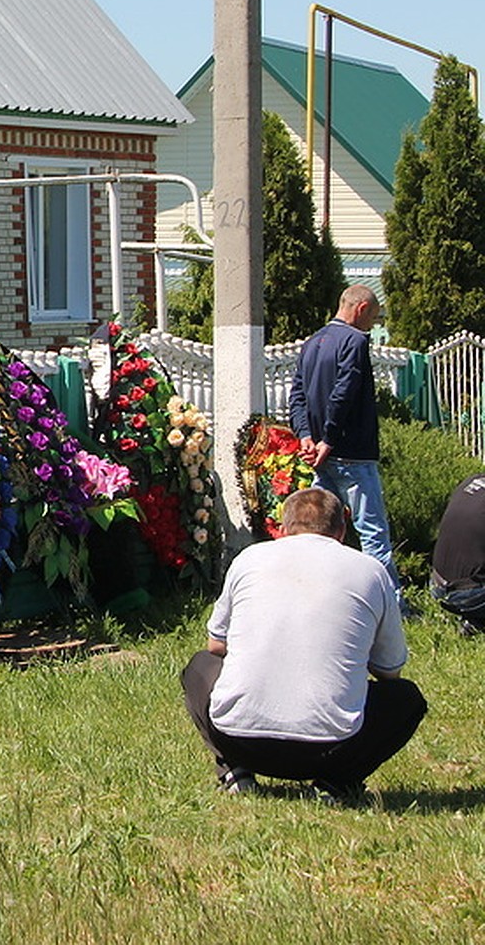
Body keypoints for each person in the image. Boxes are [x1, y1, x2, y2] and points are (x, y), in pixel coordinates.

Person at [181, 488, 426, 804]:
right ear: (341, 530)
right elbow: (390, 670)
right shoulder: (370, 571)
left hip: (239, 739)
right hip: (332, 748)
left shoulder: (249, 559)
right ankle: (335, 782)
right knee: (405, 699)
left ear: (283, 529)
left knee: (200, 666)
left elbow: (216, 645)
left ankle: (235, 769)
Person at [288, 283, 404, 601]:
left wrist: (306, 436)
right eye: (373, 318)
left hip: (321, 454)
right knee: (372, 531)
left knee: (317, 531)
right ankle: (389, 605)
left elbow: (297, 394)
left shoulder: (313, 342)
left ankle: (314, 595)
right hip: (351, 451)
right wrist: (329, 437)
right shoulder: (354, 340)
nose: (372, 326)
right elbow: (345, 391)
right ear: (361, 309)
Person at [430, 474, 485, 634]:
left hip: (438, 585)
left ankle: (475, 620)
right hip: (469, 592)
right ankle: (475, 616)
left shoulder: (473, 481)